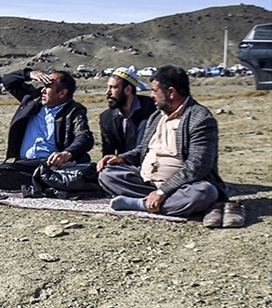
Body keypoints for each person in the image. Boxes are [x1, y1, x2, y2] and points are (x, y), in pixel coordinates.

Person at [97, 65, 238, 223]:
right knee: (107, 173)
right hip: (146, 181)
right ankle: (159, 201)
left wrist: (163, 191)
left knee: (205, 192)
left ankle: (139, 204)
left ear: (171, 92)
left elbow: (198, 165)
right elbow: (142, 150)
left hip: (183, 185)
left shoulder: (200, 118)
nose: (151, 95)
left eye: (155, 91)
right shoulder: (157, 116)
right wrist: (121, 159)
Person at [0, 68, 94, 191]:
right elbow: (8, 81)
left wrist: (66, 153)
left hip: (52, 164)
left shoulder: (73, 111)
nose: (43, 90)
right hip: (26, 164)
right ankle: (53, 182)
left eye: (48, 87)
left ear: (62, 93)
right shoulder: (33, 100)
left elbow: (84, 136)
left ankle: (50, 181)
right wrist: (29, 74)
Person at [99, 67, 156, 155]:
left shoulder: (152, 108)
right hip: (123, 164)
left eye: (113, 87)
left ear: (128, 89)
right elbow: (108, 152)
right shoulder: (106, 118)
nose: (108, 92)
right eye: (108, 87)